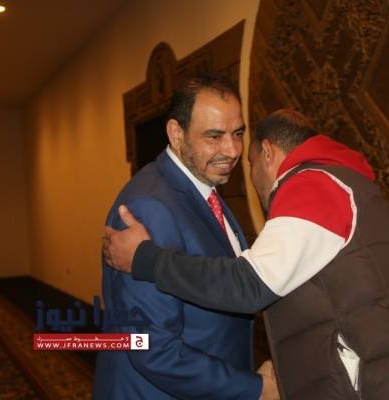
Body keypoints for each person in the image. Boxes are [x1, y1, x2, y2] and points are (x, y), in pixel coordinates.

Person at [103, 110, 389, 399]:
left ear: (267, 153)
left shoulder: (310, 187)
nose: (236, 158)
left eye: (246, 154)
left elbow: (247, 285)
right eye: (215, 136)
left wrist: (145, 258)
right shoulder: (342, 182)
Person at [93, 75, 278, 399]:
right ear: (176, 134)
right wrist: (255, 389)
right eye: (214, 136)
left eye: (238, 134)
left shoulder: (202, 185)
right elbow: (152, 348)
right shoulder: (149, 208)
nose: (232, 150)